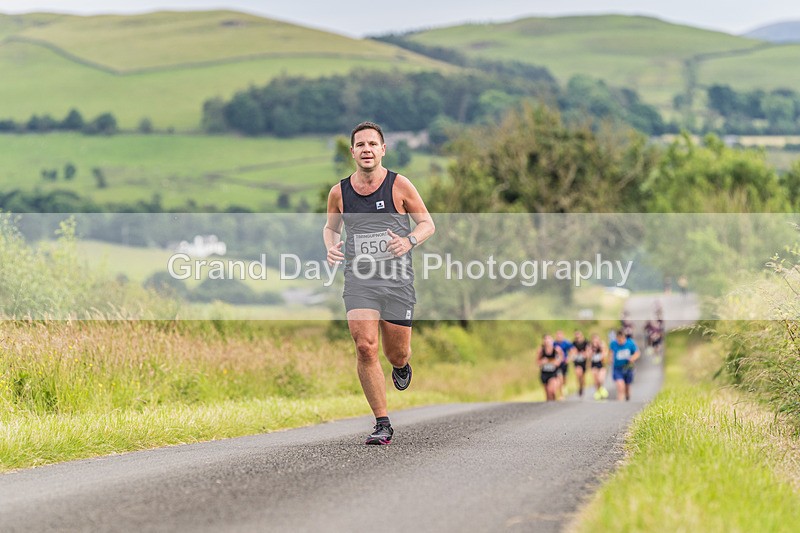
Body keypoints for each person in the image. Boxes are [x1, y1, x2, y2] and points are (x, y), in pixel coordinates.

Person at [324, 121, 435, 445]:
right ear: (352, 152)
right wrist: (331, 246)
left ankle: (401, 366)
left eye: (372, 144)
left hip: (397, 280)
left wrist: (409, 240)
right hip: (360, 279)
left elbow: (427, 223)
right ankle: (382, 422)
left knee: (396, 352)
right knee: (365, 346)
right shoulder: (339, 192)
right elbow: (331, 229)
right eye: (360, 145)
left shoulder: (400, 186)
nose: (367, 149)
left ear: (383, 149)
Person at [609, 329, 640, 402]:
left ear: (624, 338)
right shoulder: (613, 344)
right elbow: (610, 352)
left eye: (621, 340)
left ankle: (627, 397)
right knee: (620, 386)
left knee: (627, 386)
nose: (620, 341)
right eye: (618, 340)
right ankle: (620, 403)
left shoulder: (630, 343)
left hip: (627, 368)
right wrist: (610, 359)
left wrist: (632, 358)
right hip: (617, 368)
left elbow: (637, 353)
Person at [537, 334, 564, 402]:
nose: (547, 341)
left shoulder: (557, 350)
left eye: (549, 339)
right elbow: (538, 362)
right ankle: (551, 406)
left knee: (551, 390)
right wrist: (542, 362)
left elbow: (560, 360)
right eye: (545, 339)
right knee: (548, 395)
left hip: (553, 373)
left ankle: (554, 403)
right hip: (544, 373)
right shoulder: (541, 350)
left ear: (552, 340)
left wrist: (552, 361)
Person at [553, 330, 573, 399]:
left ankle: (564, 386)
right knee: (559, 377)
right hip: (557, 364)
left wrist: (569, 358)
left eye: (560, 335)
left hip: (564, 363)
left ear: (563, 336)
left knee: (564, 378)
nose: (559, 337)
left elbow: (572, 350)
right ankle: (561, 394)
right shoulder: (554, 344)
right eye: (557, 335)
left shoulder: (566, 343)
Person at [589, 334, 609, 400]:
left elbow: (604, 355)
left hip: (601, 365)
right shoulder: (590, 347)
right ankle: (597, 391)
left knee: (601, 379)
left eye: (597, 340)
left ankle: (601, 389)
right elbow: (588, 356)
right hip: (594, 365)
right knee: (596, 380)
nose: (595, 342)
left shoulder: (602, 346)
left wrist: (602, 349)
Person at [571, 330, 589, 397]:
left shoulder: (586, 343)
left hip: (583, 362)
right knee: (578, 373)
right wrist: (573, 355)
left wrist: (585, 354)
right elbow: (572, 352)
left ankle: (582, 387)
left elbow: (588, 352)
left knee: (582, 377)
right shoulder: (573, 343)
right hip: (577, 362)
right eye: (576, 336)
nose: (578, 338)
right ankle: (579, 386)